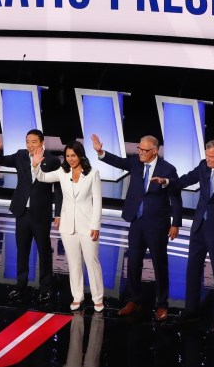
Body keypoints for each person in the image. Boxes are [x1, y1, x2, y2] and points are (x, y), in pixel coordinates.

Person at [152, 140, 214, 334]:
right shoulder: (203, 167)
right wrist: (167, 182)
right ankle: (191, 311)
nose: (208, 159)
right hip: (199, 228)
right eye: (207, 155)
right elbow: (186, 179)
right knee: (192, 269)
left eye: (211, 157)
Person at [91, 133, 182, 322]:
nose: (140, 152)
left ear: (155, 151)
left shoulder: (168, 169)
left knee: (159, 264)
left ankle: (162, 305)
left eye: (145, 150)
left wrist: (176, 223)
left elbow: (175, 197)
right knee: (132, 262)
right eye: (139, 149)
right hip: (136, 221)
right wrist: (101, 152)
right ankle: (134, 300)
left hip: (157, 224)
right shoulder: (135, 163)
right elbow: (118, 162)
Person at [31, 140, 104, 312]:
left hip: (88, 225)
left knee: (92, 261)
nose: (70, 159)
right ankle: (77, 296)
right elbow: (42, 177)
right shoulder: (62, 172)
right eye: (68, 156)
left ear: (80, 155)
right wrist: (35, 165)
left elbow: (98, 202)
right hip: (67, 225)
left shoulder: (93, 173)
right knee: (73, 262)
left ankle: (97, 298)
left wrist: (96, 225)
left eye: (73, 155)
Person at [0, 130, 62, 303]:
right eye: (28, 141)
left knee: (44, 251)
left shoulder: (52, 160)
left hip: (41, 213)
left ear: (42, 142)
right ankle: (20, 284)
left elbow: (59, 189)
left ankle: (46, 287)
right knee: (22, 250)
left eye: (34, 142)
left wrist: (58, 213)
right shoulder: (21, 156)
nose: (30, 145)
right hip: (22, 212)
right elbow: (1, 160)